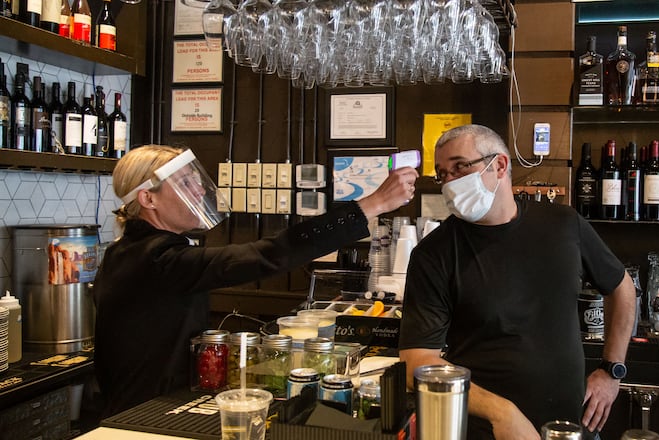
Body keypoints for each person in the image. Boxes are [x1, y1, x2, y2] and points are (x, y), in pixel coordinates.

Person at [94, 145, 418, 417]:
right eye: (185, 184)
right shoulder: (155, 259)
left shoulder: (133, 251)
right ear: (148, 199)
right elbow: (269, 255)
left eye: (195, 181)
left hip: (152, 406)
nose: (199, 191)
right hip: (141, 417)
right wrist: (371, 205)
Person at [398, 125, 635, 440]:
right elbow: (417, 361)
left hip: (569, 426)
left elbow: (622, 287)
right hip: (486, 429)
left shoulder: (563, 224)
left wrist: (611, 370)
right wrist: (501, 411)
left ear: (499, 165)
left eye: (459, 167)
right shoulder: (434, 253)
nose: (450, 183)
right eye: (443, 174)